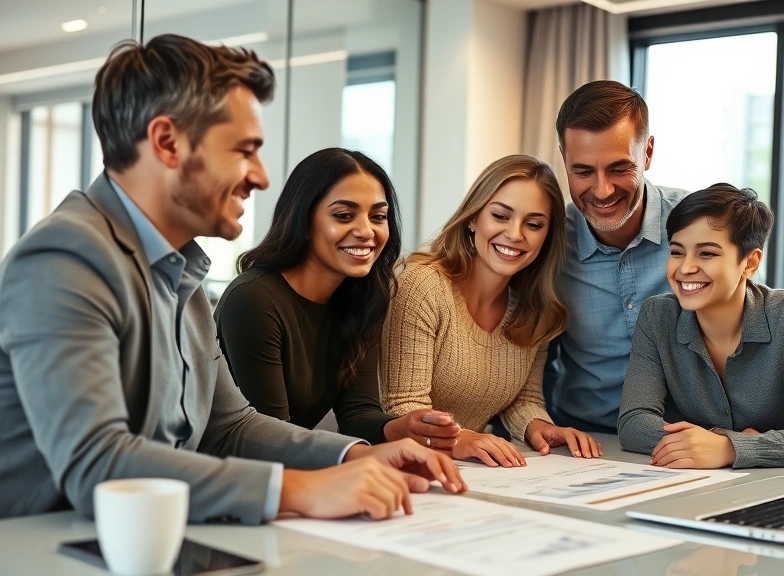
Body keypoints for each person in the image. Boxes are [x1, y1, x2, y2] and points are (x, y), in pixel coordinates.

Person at [0, 34, 465, 525]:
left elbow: (230, 427)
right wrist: (301, 488)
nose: (262, 177)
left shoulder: (183, 276)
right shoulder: (66, 259)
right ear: (167, 142)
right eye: (244, 151)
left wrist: (352, 455)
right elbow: (99, 463)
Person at [214, 147, 460, 448]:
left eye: (378, 216)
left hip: (289, 464)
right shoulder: (253, 300)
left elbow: (357, 414)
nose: (366, 231)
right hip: (224, 475)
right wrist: (355, 459)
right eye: (344, 215)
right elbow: (271, 435)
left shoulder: (363, 297)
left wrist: (403, 427)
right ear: (303, 220)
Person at [381, 155, 601, 467]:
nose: (515, 234)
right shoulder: (423, 284)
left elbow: (523, 399)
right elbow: (402, 405)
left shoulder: (537, 311)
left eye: (534, 224)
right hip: (397, 466)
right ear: (473, 218)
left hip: (467, 471)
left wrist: (540, 427)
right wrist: (460, 437)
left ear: (547, 237)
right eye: (500, 216)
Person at [618, 184, 784, 468]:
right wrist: (720, 440)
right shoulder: (657, 316)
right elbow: (633, 423)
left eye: (707, 254)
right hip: (691, 484)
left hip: (778, 484)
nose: (685, 268)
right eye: (677, 252)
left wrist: (728, 449)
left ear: (749, 263)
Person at [544, 80, 687, 434]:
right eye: (583, 171)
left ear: (648, 153)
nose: (602, 190)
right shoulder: (547, 244)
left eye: (619, 168)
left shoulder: (700, 226)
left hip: (689, 439)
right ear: (564, 159)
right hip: (583, 441)